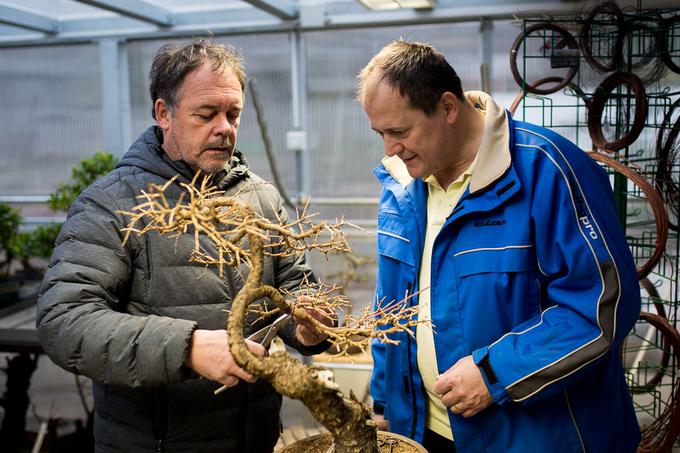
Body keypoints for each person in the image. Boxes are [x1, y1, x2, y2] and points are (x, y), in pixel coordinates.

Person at [36, 38, 331, 453]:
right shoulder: (114, 204)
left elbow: (293, 283)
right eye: (206, 114)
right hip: (152, 444)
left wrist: (305, 323)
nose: (224, 127)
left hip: (254, 437)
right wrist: (186, 347)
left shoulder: (259, 198)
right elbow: (64, 320)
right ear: (164, 114)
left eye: (233, 114)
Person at [357, 39, 641, 452]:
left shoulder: (546, 170)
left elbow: (602, 305)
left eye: (399, 131)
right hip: (423, 432)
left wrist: (495, 373)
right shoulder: (402, 184)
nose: (389, 149)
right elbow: (393, 309)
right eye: (380, 133)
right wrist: (385, 402)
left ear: (448, 108)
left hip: (531, 437)